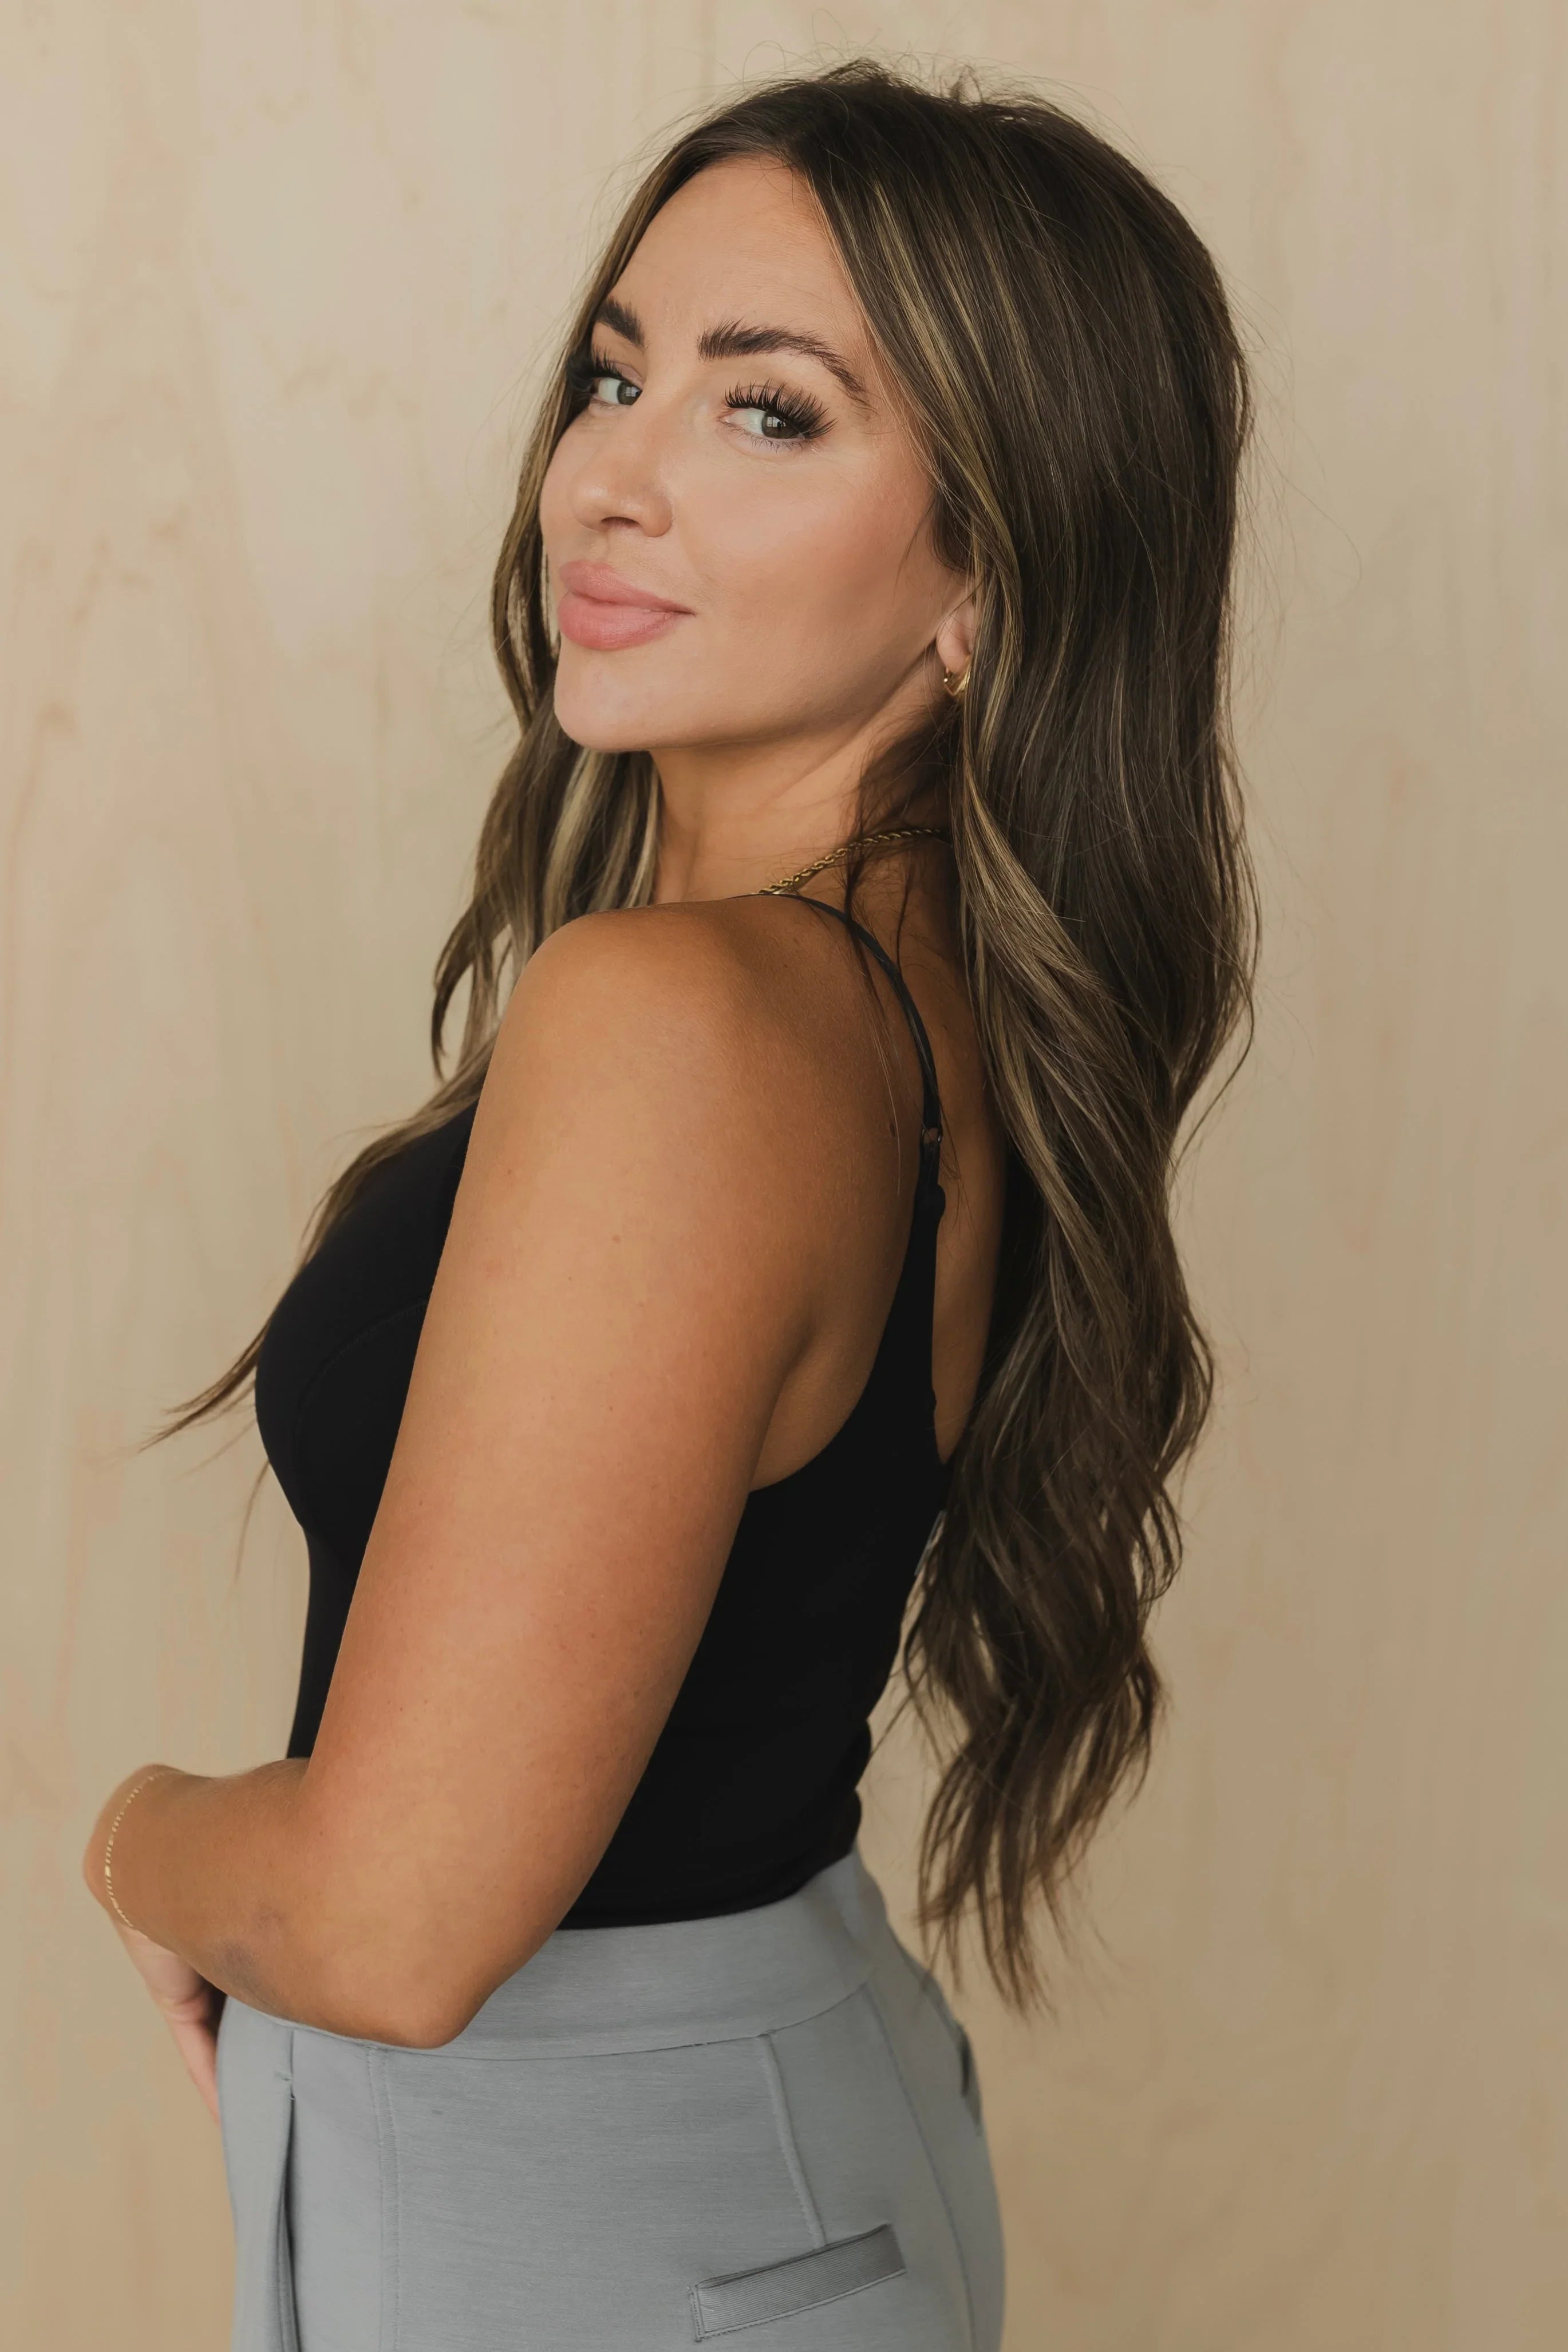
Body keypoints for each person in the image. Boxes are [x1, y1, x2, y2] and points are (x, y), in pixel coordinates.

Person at [81, 57, 1255, 2352]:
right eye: (616, 374)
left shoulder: (681, 1024)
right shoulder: (925, 1009)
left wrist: (143, 1838)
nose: (610, 474)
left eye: (770, 413)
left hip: (578, 2201)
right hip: (781, 2107)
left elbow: (401, 1919)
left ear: (986, 576)